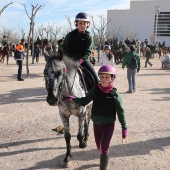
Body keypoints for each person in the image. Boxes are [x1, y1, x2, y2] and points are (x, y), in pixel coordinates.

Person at [64, 65, 128, 170]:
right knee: (99, 146)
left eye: (106, 77)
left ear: (112, 78)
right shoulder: (94, 91)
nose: (103, 79)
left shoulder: (115, 94)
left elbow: (121, 112)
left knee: (103, 148)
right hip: (97, 124)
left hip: (108, 124)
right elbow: (84, 101)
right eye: (101, 77)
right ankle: (104, 155)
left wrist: (124, 127)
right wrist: (74, 99)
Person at [62, 12, 99, 86]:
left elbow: (88, 52)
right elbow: (64, 49)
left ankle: (96, 94)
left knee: (95, 78)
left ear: (87, 25)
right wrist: (66, 60)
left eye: (84, 23)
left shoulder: (89, 36)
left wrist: (80, 61)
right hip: (70, 61)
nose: (82, 25)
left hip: (84, 61)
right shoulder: (70, 35)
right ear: (76, 24)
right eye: (80, 23)